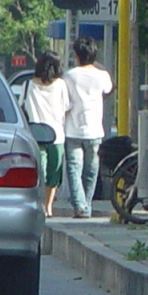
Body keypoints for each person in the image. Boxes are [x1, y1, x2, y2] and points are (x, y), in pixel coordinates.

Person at [63, 36, 113, 219]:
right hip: (94, 130)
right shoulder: (102, 76)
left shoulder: (68, 76)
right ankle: (86, 206)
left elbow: (65, 101)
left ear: (76, 55)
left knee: (74, 170)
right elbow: (108, 90)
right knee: (91, 171)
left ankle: (80, 206)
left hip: (73, 130)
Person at [22, 51, 70, 218]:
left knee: (39, 171)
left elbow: (23, 106)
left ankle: (41, 204)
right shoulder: (61, 85)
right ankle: (48, 207)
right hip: (57, 134)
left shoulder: (28, 85)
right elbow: (66, 107)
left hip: (35, 135)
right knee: (54, 173)